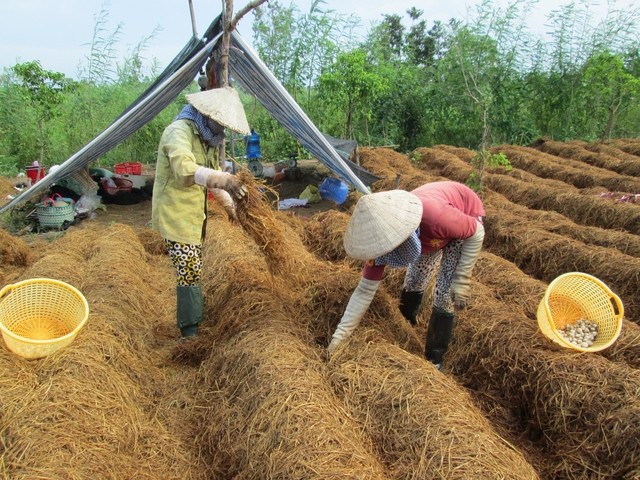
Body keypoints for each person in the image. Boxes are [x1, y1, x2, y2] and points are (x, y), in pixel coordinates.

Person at [327, 181, 486, 369]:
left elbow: (477, 232)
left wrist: (462, 278)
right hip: (430, 234)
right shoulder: (378, 244)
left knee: (444, 293)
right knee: (414, 280)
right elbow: (364, 291)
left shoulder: (436, 218)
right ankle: (408, 326)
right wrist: (338, 340)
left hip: (463, 223)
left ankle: (434, 360)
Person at [151, 86, 250, 338]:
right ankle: (190, 332)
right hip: (176, 211)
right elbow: (185, 169)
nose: (222, 131)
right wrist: (224, 179)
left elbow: (212, 175)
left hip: (195, 213)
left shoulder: (206, 140)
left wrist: (231, 207)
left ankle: (193, 320)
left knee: (193, 267)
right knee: (189, 269)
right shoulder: (178, 132)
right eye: (220, 125)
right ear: (206, 116)